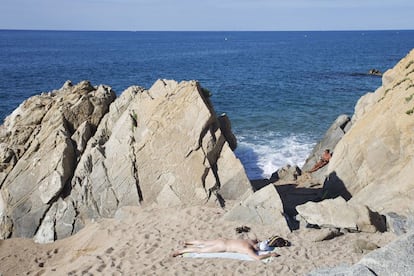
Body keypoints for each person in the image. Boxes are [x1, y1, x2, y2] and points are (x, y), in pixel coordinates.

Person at [172, 238, 280, 261]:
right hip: (222, 247)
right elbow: (257, 258)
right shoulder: (248, 248)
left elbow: (256, 239)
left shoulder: (250, 241)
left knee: (204, 243)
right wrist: (270, 255)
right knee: (201, 250)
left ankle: (186, 242)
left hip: (222, 240)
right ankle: (180, 251)